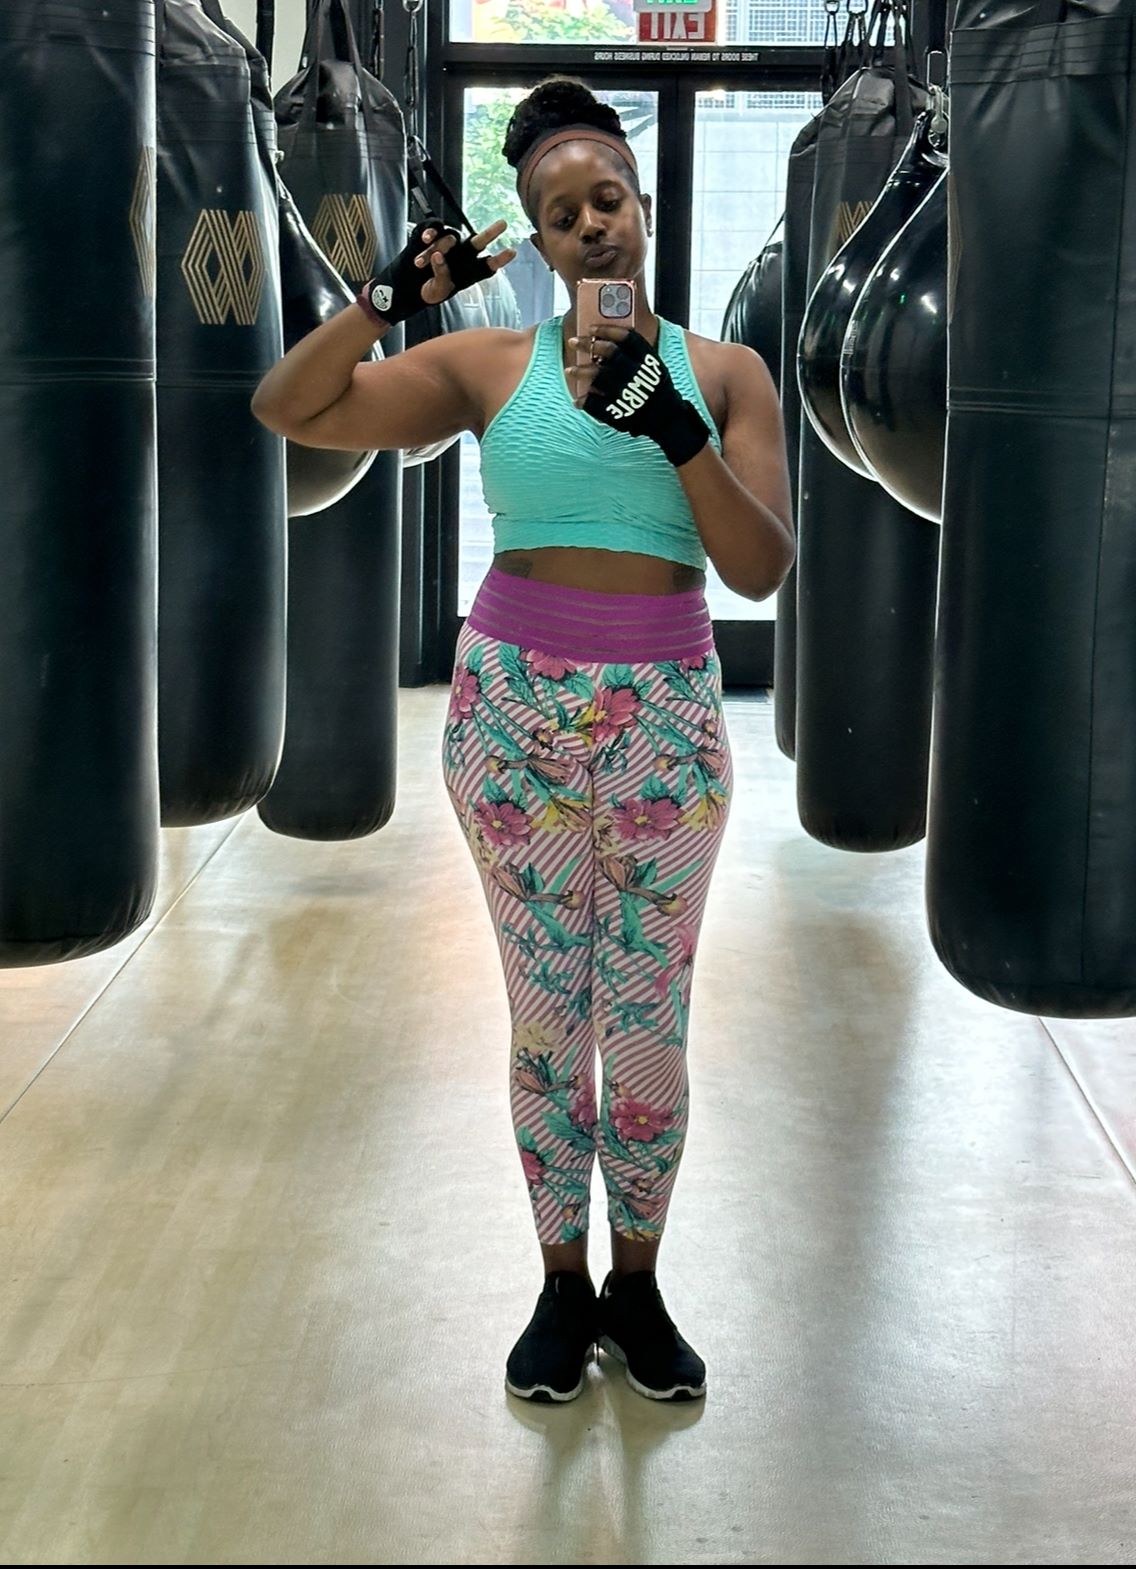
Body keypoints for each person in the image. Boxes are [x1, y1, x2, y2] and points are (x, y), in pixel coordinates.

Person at [252, 76, 794, 1405]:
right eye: (559, 215)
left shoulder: (727, 373)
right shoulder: (488, 367)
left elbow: (761, 564)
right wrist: (390, 298)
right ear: (542, 247)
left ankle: (640, 1282)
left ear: (644, 210)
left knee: (647, 1026)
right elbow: (290, 406)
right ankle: (560, 1286)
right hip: (510, 721)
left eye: (605, 198)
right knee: (550, 1022)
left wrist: (676, 430)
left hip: (665, 716)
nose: (588, 225)